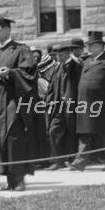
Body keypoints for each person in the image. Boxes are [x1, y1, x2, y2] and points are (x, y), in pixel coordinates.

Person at [0, 17, 37, 191]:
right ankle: (8, 180)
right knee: (0, 142)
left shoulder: (21, 50)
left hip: (14, 104)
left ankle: (18, 179)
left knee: (14, 140)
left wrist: (12, 73)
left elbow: (30, 74)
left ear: (8, 30)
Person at [67, 31, 105, 172]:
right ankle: (80, 162)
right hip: (85, 103)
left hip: (103, 103)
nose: (89, 48)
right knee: (84, 132)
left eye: (92, 45)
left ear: (101, 46)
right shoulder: (86, 62)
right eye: (88, 45)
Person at [45, 42, 82, 170]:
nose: (58, 57)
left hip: (72, 106)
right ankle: (57, 160)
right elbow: (52, 88)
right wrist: (49, 102)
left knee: (71, 133)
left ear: (67, 54)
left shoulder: (76, 67)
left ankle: (71, 160)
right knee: (53, 130)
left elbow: (79, 88)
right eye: (57, 55)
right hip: (58, 106)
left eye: (61, 55)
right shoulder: (57, 68)